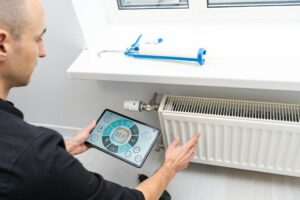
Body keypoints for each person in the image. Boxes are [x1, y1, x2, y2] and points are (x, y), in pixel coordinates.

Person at [0, 0, 200, 199]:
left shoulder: (28, 150)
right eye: (37, 39)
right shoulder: (32, 151)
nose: (43, 52)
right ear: (2, 45)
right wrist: (170, 167)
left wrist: (63, 149)